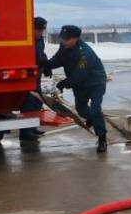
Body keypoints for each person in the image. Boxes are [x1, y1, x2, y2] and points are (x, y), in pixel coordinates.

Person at [47, 25, 109, 153]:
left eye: (66, 39)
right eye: (62, 38)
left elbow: (79, 75)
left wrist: (63, 84)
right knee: (81, 109)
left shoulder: (84, 53)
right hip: (80, 85)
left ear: (75, 39)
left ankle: (102, 138)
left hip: (95, 82)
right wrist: (46, 65)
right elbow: (58, 59)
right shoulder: (64, 46)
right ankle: (92, 119)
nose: (63, 41)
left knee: (95, 109)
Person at [18, 16, 52, 146]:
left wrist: (47, 66)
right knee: (29, 103)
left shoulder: (39, 40)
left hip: (37, 75)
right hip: (28, 75)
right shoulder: (27, 40)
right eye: (38, 30)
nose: (40, 33)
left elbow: (41, 54)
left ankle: (32, 128)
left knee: (38, 101)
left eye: (42, 30)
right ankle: (25, 133)